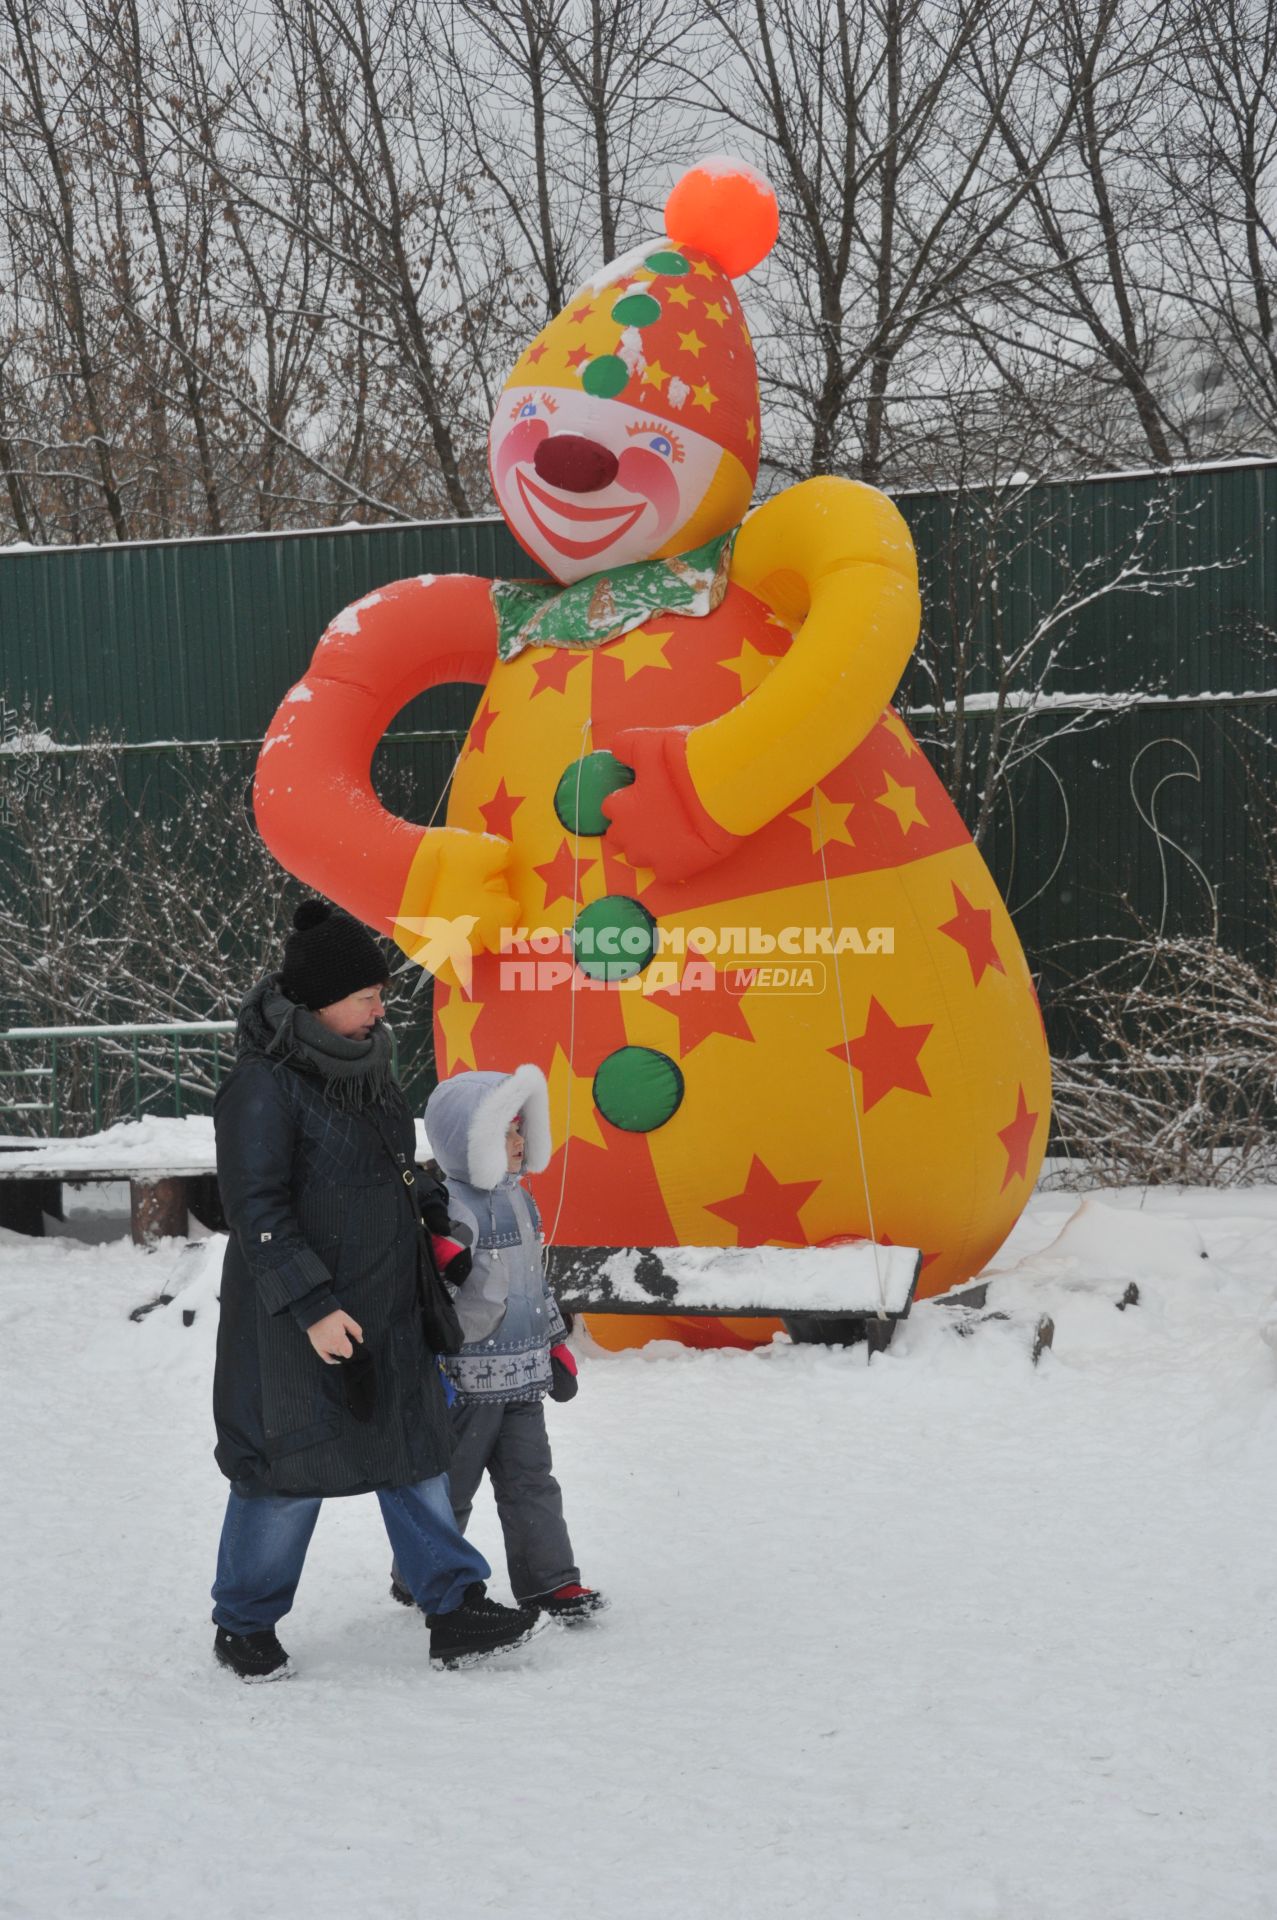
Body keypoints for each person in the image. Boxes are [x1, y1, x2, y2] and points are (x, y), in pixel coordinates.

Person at [210, 899, 543, 1679]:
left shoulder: (368, 1072)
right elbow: (255, 1209)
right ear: (319, 999)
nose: (378, 1007)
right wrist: (313, 1307)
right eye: (365, 995)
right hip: (300, 1324)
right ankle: (245, 1623)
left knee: (412, 1454)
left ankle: (454, 1606)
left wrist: (438, 1227)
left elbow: (398, 1172)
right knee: (289, 1471)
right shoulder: (262, 1087)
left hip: (389, 1305)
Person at [390, 1064, 605, 1622]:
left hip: (526, 1378)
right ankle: (422, 1572)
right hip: (467, 1382)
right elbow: (434, 1286)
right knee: (452, 1488)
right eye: (503, 1131)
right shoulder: (450, 1206)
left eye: (520, 1128)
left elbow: (534, 1282)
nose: (517, 1141)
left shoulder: (521, 1199)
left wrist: (554, 1340)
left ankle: (550, 1582)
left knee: (532, 1482)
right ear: (469, 1140)